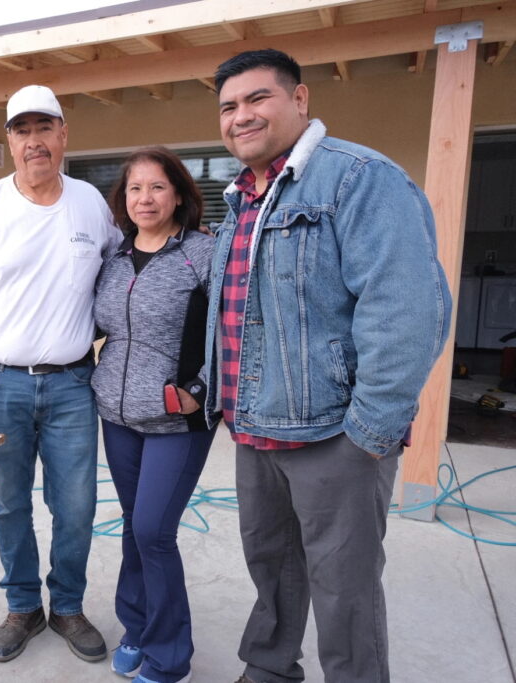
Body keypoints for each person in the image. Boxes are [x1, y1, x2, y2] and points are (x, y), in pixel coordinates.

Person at [201, 50, 452, 683]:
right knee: (272, 567)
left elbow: (406, 313)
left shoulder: (358, 179)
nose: (241, 116)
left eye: (258, 98)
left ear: (301, 99)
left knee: (345, 592)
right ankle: (270, 668)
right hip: (256, 428)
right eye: (229, 106)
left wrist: (366, 435)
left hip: (333, 437)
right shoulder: (241, 201)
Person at [0, 84, 121, 664]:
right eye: (22, 130)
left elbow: (124, 273)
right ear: (10, 141)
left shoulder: (91, 203)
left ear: (64, 135)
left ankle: (66, 605)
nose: (34, 141)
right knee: (10, 502)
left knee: (77, 506)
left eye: (45, 128)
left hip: (72, 383)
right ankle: (23, 605)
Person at [92, 147, 216, 683]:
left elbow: (233, 331)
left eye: (157, 187)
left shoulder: (204, 254)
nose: (145, 198)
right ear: (123, 200)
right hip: (117, 415)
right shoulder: (114, 259)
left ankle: (169, 657)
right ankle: (136, 627)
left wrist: (200, 387)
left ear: (180, 195)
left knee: (153, 531)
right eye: (135, 188)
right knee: (134, 528)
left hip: (176, 419)